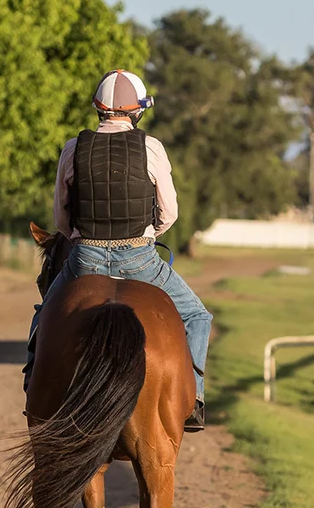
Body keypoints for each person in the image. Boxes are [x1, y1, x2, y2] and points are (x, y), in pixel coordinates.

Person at [23, 69, 211, 432]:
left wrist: (82, 240)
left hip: (85, 259)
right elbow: (169, 212)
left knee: (44, 314)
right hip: (140, 259)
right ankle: (196, 401)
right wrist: (146, 236)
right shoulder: (152, 147)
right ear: (137, 111)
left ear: (99, 109)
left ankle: (33, 386)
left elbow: (61, 219)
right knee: (198, 316)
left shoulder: (73, 148)